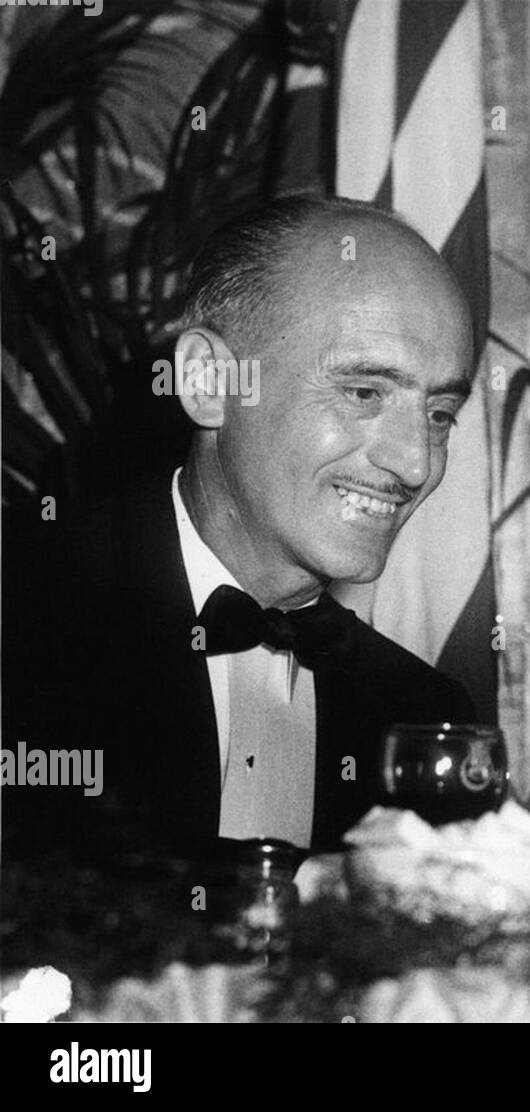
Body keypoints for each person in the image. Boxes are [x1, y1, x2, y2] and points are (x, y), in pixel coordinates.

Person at [2, 195, 476, 858]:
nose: (415, 462)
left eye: (440, 414)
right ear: (207, 382)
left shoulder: (427, 716)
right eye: (364, 393)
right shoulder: (22, 620)